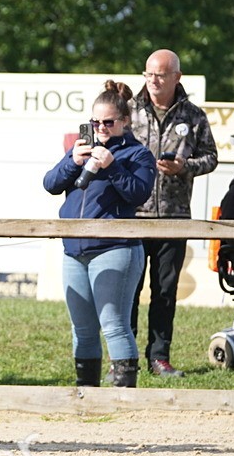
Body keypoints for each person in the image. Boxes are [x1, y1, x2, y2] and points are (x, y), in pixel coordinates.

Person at [43, 80, 155, 388]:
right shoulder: (81, 150)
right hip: (74, 250)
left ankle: (123, 397)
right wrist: (72, 161)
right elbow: (50, 184)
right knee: (82, 329)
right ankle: (87, 396)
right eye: (95, 122)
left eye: (108, 122)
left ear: (124, 122)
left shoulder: (137, 154)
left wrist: (113, 166)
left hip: (115, 248)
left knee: (114, 325)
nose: (101, 128)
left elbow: (138, 194)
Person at [129, 49, 218, 377]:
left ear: (177, 77)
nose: (154, 80)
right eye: (149, 74)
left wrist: (184, 167)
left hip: (174, 216)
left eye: (161, 74)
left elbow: (210, 157)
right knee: (130, 291)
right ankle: (126, 360)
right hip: (132, 217)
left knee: (165, 291)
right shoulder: (128, 111)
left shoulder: (193, 115)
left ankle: (159, 358)